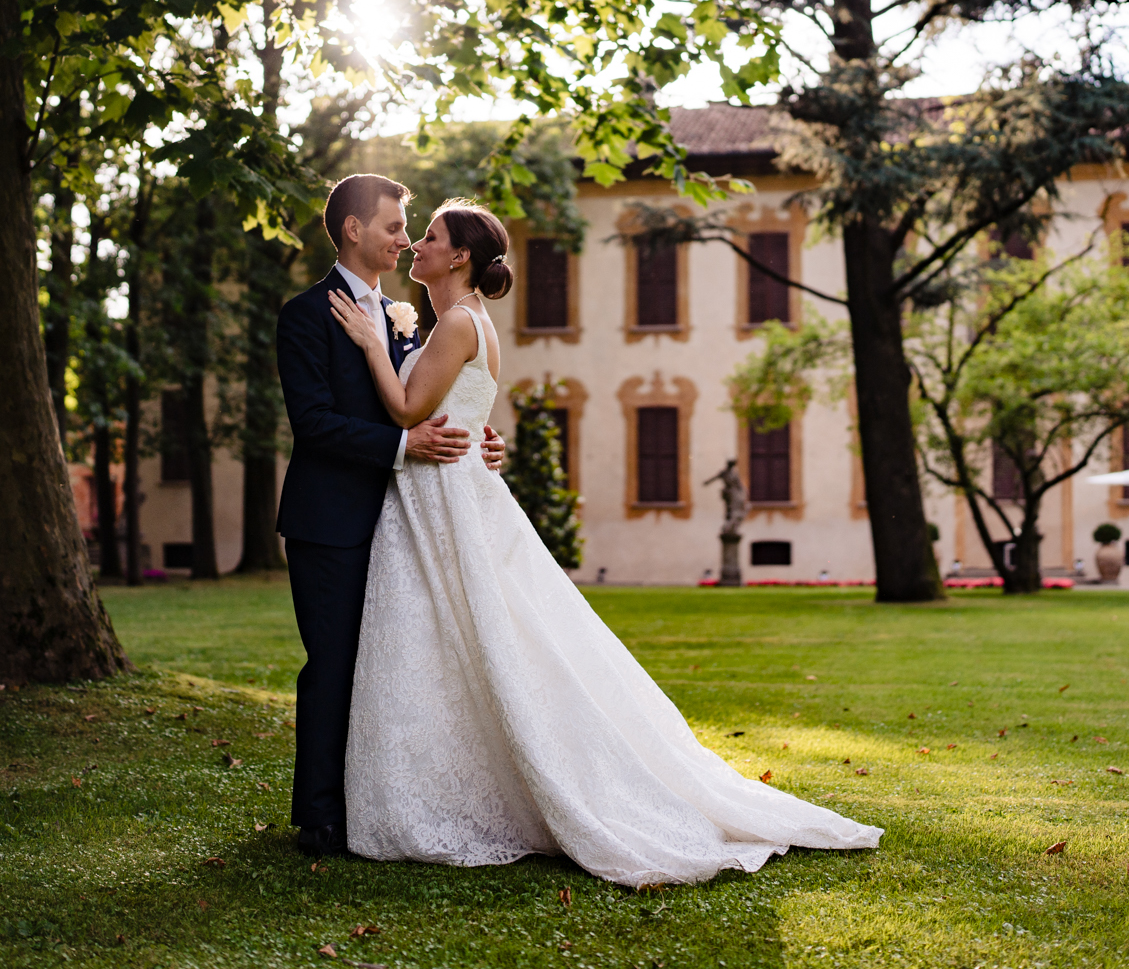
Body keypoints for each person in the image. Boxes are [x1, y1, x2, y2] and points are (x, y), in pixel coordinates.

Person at [328, 198, 881, 886]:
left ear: (460, 256)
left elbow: (411, 411)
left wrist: (375, 346)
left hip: (443, 497)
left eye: (431, 237)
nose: (417, 247)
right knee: (462, 641)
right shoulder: (470, 324)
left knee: (465, 637)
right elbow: (455, 412)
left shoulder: (456, 325)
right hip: (448, 494)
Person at [273, 175, 508, 859]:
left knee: (390, 666)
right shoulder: (306, 314)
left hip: (403, 521)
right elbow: (314, 424)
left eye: (413, 229)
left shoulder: (405, 314)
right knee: (335, 663)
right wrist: (406, 443)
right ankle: (320, 816)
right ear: (353, 230)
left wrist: (475, 436)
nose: (405, 239)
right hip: (332, 517)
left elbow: (422, 396)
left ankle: (372, 798)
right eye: (394, 226)